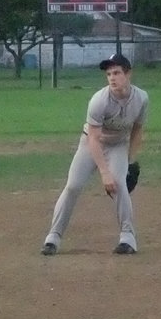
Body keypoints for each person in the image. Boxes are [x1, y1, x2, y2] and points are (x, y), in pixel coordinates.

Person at [41, 54, 149, 256]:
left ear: (128, 74)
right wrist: (104, 173)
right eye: (108, 74)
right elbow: (93, 138)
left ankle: (128, 238)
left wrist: (130, 160)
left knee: (120, 183)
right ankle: (53, 238)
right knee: (73, 185)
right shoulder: (99, 100)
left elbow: (137, 129)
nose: (112, 78)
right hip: (91, 144)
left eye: (116, 72)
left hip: (118, 145)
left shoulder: (141, 98)